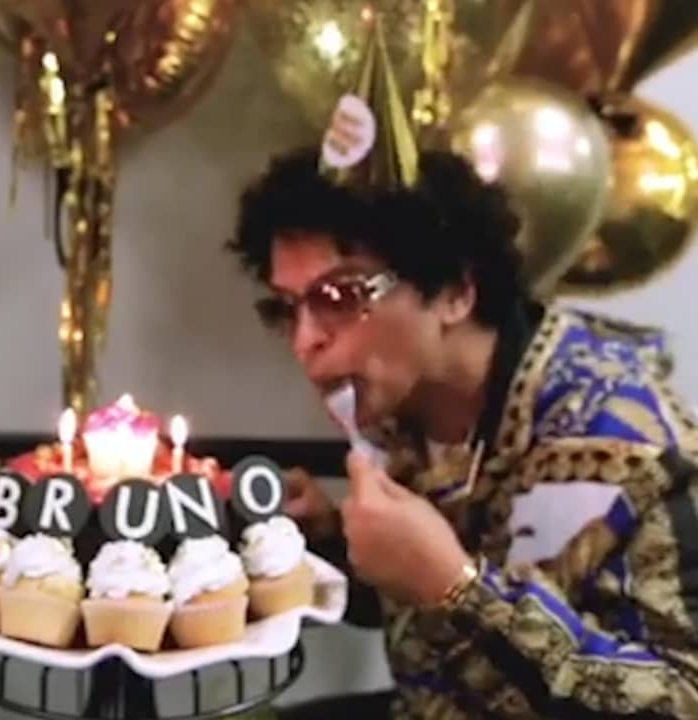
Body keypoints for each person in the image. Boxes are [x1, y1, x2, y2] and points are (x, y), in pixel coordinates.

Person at [223, 20, 698, 720]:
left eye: (340, 297)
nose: (305, 341)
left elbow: (681, 699)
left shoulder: (627, 447)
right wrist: (333, 541)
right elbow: (431, 635)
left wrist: (455, 585)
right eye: (288, 308)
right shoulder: (403, 411)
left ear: (453, 292)